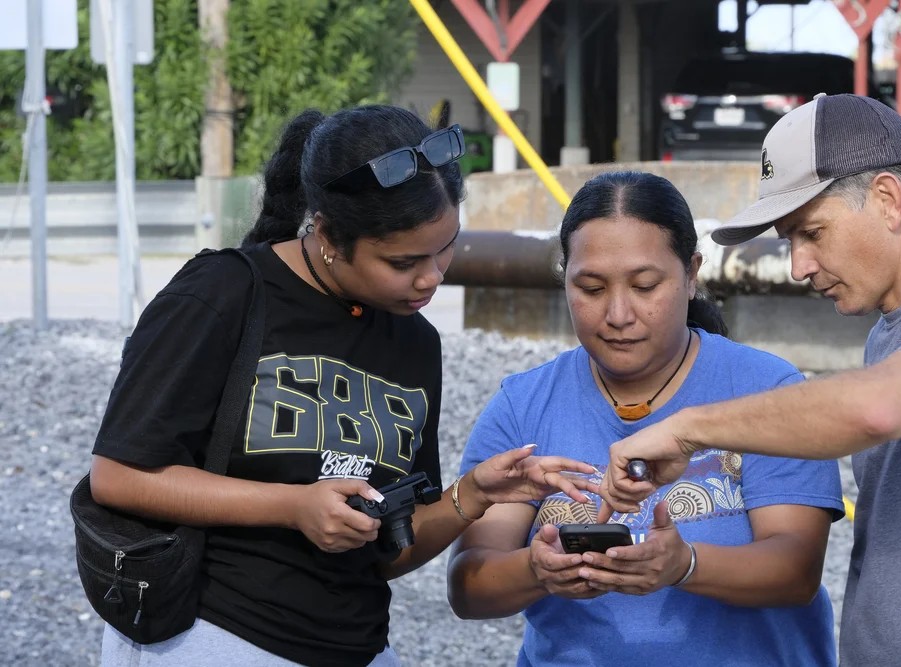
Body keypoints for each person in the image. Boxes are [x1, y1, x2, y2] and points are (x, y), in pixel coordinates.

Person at [87, 105, 598, 667]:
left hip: (359, 647)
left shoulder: (416, 342)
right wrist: (293, 506)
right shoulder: (224, 292)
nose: (432, 277)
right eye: (403, 261)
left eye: (446, 247)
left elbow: (387, 553)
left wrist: (474, 493)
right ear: (328, 232)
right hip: (211, 635)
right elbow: (118, 476)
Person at [597, 94, 901, 666]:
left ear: (887, 199)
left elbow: (876, 408)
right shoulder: (894, 332)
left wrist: (687, 430)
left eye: (812, 232)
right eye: (791, 241)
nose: (798, 266)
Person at [447, 170, 845, 666]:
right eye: (591, 288)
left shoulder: (767, 390)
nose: (618, 314)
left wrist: (684, 565)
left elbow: (796, 571)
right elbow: (470, 586)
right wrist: (536, 569)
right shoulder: (523, 404)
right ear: (564, 277)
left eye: (644, 285)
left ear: (692, 273)